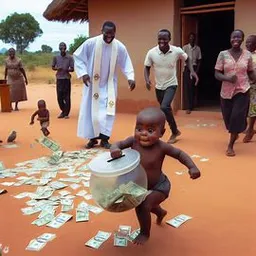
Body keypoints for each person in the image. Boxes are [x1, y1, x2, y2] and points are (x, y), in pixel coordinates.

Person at [110, 107, 201, 245]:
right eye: (139, 129)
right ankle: (160, 212)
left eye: (150, 130)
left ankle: (144, 233)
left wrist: (192, 166)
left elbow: (179, 154)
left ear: (162, 133)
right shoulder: (133, 142)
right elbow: (118, 144)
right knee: (146, 203)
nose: (143, 134)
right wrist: (115, 149)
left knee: (143, 205)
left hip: (159, 186)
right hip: (140, 186)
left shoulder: (161, 147)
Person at [73, 21, 135, 149]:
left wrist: (130, 77)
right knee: (92, 112)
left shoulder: (119, 47)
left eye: (112, 34)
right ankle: (92, 139)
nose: (109, 36)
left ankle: (105, 139)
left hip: (109, 86)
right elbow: (78, 57)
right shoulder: (90, 43)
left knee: (108, 113)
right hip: (92, 85)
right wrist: (83, 73)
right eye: (106, 33)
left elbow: (126, 63)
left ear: (115, 33)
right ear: (102, 31)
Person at [144, 29, 198, 144]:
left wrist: (192, 71)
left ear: (169, 39)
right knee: (164, 110)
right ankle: (175, 130)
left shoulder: (176, 51)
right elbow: (147, 67)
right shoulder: (152, 52)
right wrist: (147, 79)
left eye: (164, 39)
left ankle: (173, 132)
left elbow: (188, 59)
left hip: (171, 84)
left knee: (164, 107)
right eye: (159, 39)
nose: (162, 41)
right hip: (159, 86)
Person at [215, 29, 256, 157]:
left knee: (236, 116)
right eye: (233, 37)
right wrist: (227, 78)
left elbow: (250, 71)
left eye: (238, 37)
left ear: (242, 39)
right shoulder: (223, 54)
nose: (236, 40)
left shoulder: (247, 55)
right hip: (226, 92)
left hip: (242, 90)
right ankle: (236, 130)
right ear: (230, 39)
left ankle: (230, 145)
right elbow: (217, 73)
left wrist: (254, 76)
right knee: (228, 120)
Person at [52, 42, 74, 119]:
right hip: (59, 79)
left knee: (67, 97)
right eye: (61, 48)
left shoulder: (70, 58)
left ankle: (66, 113)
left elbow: (72, 69)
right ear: (59, 48)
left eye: (64, 48)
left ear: (66, 48)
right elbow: (53, 67)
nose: (62, 49)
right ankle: (63, 110)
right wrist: (57, 68)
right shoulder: (56, 57)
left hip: (66, 79)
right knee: (59, 97)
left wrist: (68, 69)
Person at [183, 32, 202, 114]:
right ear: (188, 39)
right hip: (187, 68)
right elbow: (184, 59)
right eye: (190, 37)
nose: (192, 39)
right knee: (187, 88)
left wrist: (196, 71)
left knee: (193, 87)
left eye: (193, 37)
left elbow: (199, 60)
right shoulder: (185, 47)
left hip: (194, 68)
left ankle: (192, 105)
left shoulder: (198, 49)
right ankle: (188, 107)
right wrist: (190, 70)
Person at [243, 35, 256, 143]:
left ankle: (250, 130)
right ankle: (247, 128)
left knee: (253, 109)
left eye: (250, 42)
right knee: (244, 108)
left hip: (254, 86)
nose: (247, 44)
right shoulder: (243, 55)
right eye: (246, 42)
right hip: (242, 85)